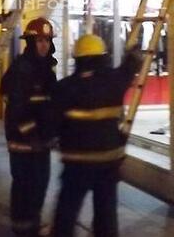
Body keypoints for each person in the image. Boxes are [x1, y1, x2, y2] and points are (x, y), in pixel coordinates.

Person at [51, 34, 142, 237]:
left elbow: (53, 124)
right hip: (108, 162)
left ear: (77, 58)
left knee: (67, 211)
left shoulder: (64, 88)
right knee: (106, 213)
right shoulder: (115, 80)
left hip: (76, 163)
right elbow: (130, 67)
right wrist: (133, 53)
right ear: (103, 57)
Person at [0, 17, 57, 236]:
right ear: (31, 42)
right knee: (25, 186)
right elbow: (16, 108)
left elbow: (49, 103)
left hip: (39, 141)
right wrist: (32, 134)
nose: (44, 45)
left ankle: (30, 224)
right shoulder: (22, 69)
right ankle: (23, 228)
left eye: (47, 40)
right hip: (24, 141)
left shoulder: (45, 68)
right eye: (40, 41)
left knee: (39, 184)